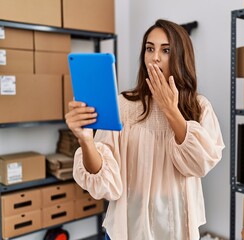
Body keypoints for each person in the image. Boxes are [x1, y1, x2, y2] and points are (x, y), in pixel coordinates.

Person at [65, 19, 225, 240]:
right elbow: (106, 184)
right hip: (129, 226)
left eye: (166, 50)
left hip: (176, 227)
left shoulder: (199, 107)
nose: (155, 57)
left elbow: (198, 164)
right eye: (150, 48)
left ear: (180, 56)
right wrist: (86, 140)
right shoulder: (123, 105)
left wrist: (171, 110)